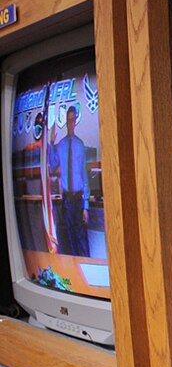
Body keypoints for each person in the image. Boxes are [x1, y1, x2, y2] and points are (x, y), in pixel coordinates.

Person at [49, 105, 90, 257]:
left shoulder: (80, 145)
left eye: (73, 120)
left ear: (75, 121)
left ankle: (86, 267)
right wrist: (51, 144)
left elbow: (84, 175)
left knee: (82, 239)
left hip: (78, 200)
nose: (71, 123)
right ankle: (75, 268)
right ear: (66, 122)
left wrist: (86, 206)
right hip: (66, 200)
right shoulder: (60, 145)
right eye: (69, 120)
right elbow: (53, 165)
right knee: (70, 239)